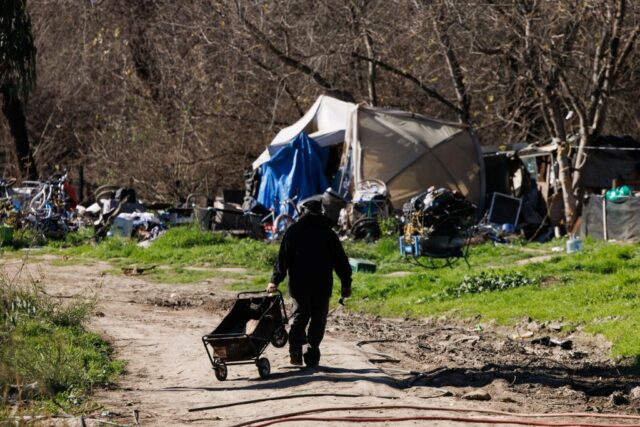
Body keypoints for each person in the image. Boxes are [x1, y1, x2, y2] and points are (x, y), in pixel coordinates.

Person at [266, 197, 352, 367]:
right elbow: (341, 261)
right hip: (320, 284)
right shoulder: (326, 233)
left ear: (302, 213)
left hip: (301, 284)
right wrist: (346, 283)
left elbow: (283, 259)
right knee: (318, 320)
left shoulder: (297, 231)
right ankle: (309, 353)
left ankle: (298, 351)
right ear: (320, 213)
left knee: (301, 316)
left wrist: (274, 280)